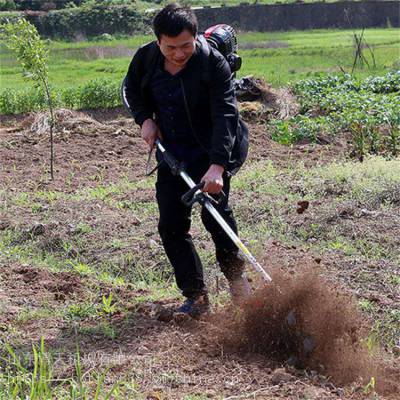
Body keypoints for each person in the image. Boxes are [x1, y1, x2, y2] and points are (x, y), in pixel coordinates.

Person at [123, 3, 250, 317]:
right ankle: (196, 296)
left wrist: (218, 166)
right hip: (172, 153)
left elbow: (225, 115)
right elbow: (129, 90)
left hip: (211, 152)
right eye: (171, 47)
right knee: (171, 225)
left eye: (186, 46)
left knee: (216, 219)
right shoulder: (147, 59)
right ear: (158, 42)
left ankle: (237, 280)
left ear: (196, 38)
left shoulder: (212, 64)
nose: (179, 53)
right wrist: (144, 120)